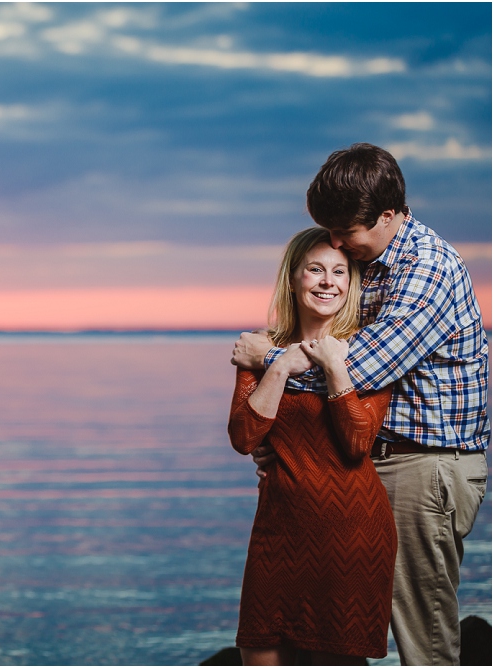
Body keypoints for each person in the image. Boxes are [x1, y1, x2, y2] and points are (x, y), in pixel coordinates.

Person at [232, 143, 489, 665]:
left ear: (389, 216)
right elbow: (329, 363)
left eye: (347, 233)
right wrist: (282, 438)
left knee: (422, 632)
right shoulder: (371, 260)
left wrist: (267, 360)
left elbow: (356, 369)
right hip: (374, 465)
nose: (337, 245)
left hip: (424, 463)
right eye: (328, 232)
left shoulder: (426, 271)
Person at [230, 227, 397, 665]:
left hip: (351, 531)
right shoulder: (262, 349)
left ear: (351, 283)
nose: (328, 281)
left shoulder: (369, 350)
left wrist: (336, 370)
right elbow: (244, 437)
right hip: (278, 528)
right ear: (293, 278)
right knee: (259, 648)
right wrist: (280, 365)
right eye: (316, 270)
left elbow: (358, 442)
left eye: (340, 272)